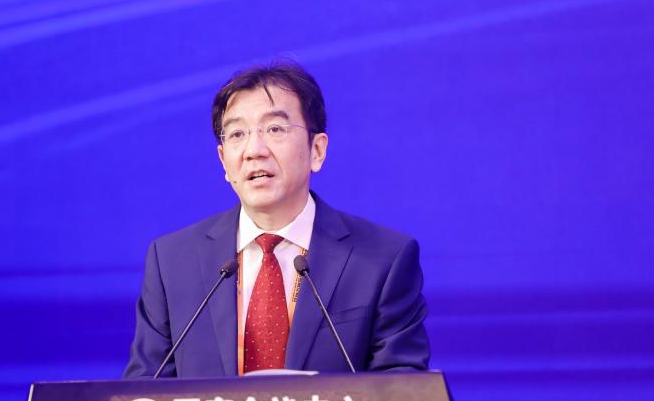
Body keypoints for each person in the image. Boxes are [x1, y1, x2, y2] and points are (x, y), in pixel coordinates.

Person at [123, 61, 429, 378]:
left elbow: (402, 393)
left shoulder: (383, 260)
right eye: (237, 134)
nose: (254, 150)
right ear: (224, 161)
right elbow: (143, 393)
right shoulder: (172, 262)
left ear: (317, 150)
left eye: (275, 129)